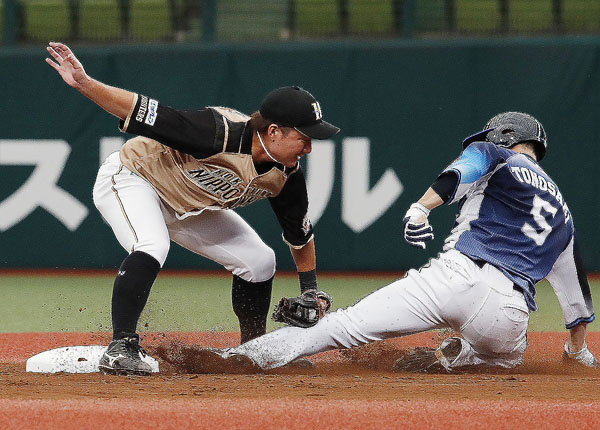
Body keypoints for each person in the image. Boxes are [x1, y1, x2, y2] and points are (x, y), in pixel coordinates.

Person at [202, 111, 597, 372]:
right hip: (509, 312)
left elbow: (460, 173)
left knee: (342, 327)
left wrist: (422, 207)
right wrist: (576, 350)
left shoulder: (495, 153)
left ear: (503, 136)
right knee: (503, 359)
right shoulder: (563, 215)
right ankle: (456, 358)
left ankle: (239, 358)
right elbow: (576, 295)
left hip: (456, 277)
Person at [45, 42, 339, 375]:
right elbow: (141, 110)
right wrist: (85, 83)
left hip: (186, 206)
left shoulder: (286, 176)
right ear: (274, 132)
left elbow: (299, 234)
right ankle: (120, 346)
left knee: (259, 261)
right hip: (133, 178)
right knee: (152, 245)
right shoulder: (218, 133)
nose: (309, 147)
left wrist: (309, 290)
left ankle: (254, 351)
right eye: (304, 137)